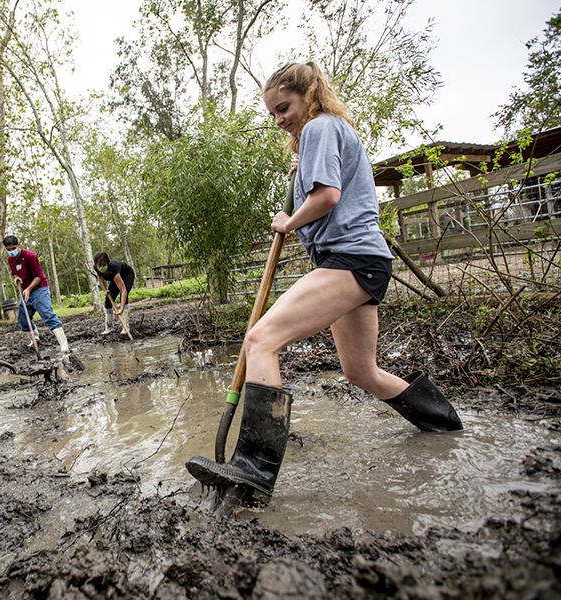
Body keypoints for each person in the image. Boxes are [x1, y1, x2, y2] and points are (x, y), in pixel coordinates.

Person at [186, 61, 462, 500]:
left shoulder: (319, 127)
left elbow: (327, 197)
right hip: (364, 262)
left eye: (284, 107)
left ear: (308, 95)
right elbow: (330, 191)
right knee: (361, 372)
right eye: (273, 114)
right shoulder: (328, 132)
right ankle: (445, 423)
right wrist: (298, 192)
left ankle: (254, 468)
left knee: (261, 340)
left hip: (349, 260)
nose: (280, 119)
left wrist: (287, 222)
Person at [3, 235, 69, 353]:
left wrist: (28, 289)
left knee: (47, 314)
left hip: (39, 288)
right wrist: (16, 277)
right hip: (24, 290)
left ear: (19, 245)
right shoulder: (10, 260)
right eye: (8, 250)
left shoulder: (30, 256)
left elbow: (39, 276)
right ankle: (35, 339)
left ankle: (64, 346)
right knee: (23, 317)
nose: (11, 252)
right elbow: (14, 273)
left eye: (13, 248)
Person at [93, 252, 135, 336]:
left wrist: (121, 308)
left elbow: (123, 290)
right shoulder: (96, 267)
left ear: (107, 263)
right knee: (108, 300)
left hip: (127, 275)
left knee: (124, 297)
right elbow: (100, 279)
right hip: (115, 278)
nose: (102, 267)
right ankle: (109, 327)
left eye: (104, 264)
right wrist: (105, 290)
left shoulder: (113, 267)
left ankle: (125, 327)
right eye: (99, 265)